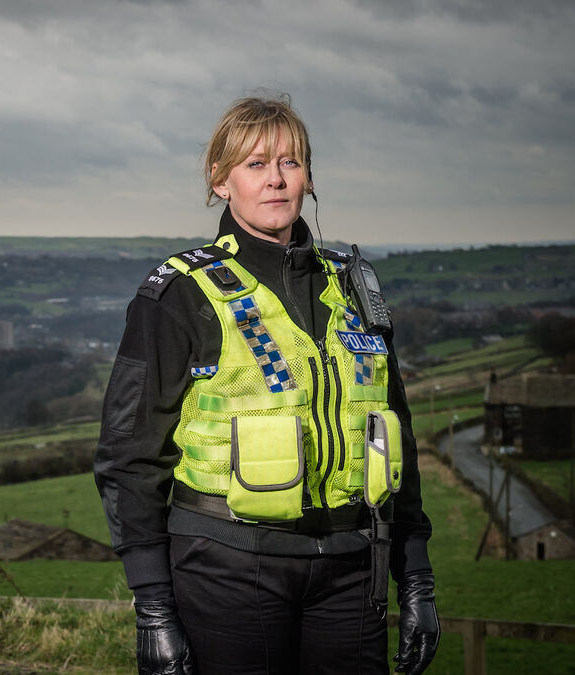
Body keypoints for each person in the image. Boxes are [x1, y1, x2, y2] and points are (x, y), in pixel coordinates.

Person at [93, 95, 438, 674]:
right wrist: (152, 604)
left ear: (308, 177)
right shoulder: (178, 296)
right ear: (221, 181)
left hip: (353, 570)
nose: (277, 180)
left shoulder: (355, 290)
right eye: (255, 164)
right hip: (227, 568)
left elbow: (393, 437)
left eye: (291, 163)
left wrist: (418, 577)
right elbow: (128, 457)